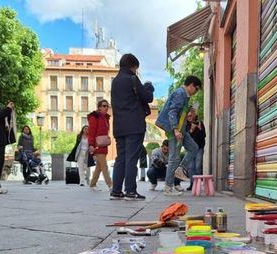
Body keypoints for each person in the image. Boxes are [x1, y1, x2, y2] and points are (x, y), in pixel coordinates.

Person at [109, 53, 154, 200]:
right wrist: (149, 87)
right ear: (133, 66)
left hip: (119, 126)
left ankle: (116, 190)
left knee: (120, 158)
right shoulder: (132, 78)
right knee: (131, 159)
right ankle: (130, 191)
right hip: (134, 125)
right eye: (136, 68)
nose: (136, 71)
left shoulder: (115, 81)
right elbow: (147, 97)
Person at [155, 75, 202, 196]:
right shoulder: (180, 93)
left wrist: (189, 109)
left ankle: (180, 169)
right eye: (196, 89)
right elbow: (172, 111)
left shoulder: (184, 96)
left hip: (181, 130)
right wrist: (175, 130)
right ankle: (168, 187)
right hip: (174, 129)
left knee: (193, 148)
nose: (195, 92)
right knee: (174, 157)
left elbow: (179, 112)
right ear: (191, 85)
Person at [87, 99, 113, 191]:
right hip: (97, 145)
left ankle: (92, 184)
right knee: (104, 166)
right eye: (104, 106)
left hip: (103, 145)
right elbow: (91, 132)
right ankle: (110, 185)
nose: (106, 108)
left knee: (99, 167)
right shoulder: (95, 117)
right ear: (99, 107)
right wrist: (91, 145)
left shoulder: (106, 118)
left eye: (107, 106)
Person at [186, 110, 206, 191]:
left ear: (194, 115)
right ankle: (192, 184)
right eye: (188, 116)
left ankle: (198, 183)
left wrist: (200, 129)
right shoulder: (186, 124)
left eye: (190, 115)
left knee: (197, 166)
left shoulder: (200, 122)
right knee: (191, 167)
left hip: (199, 148)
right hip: (190, 149)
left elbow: (204, 135)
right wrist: (191, 130)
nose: (189, 117)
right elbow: (186, 137)